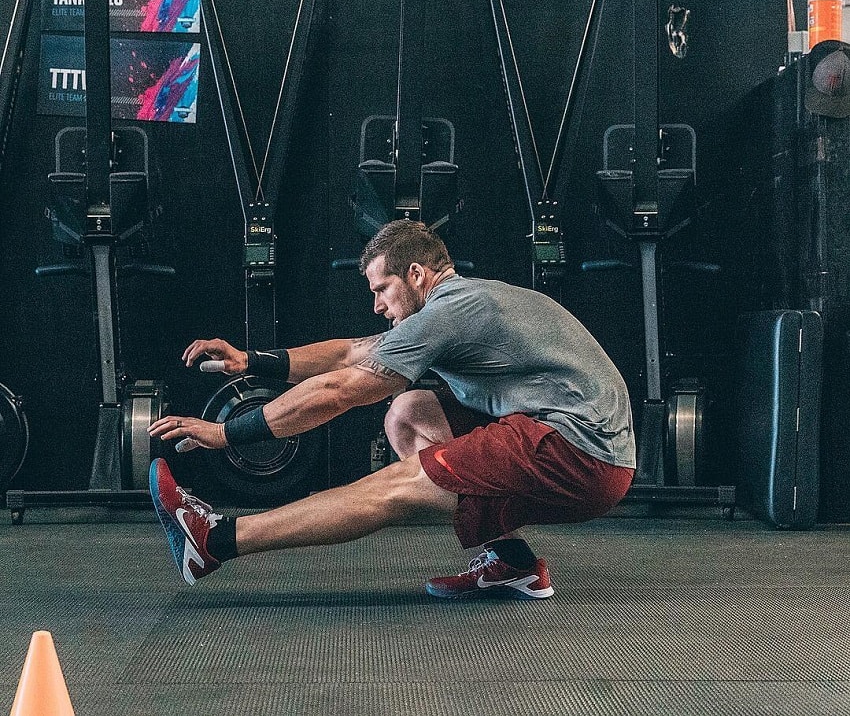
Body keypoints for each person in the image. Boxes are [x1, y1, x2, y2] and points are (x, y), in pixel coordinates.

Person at [148, 219, 635, 598]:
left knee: (393, 488)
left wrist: (226, 433)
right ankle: (512, 564)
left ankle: (215, 541)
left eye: (382, 289)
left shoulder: (451, 310)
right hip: (586, 450)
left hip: (579, 450)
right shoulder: (461, 304)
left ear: (417, 274)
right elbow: (348, 353)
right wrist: (249, 361)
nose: (377, 304)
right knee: (410, 411)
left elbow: (341, 389)